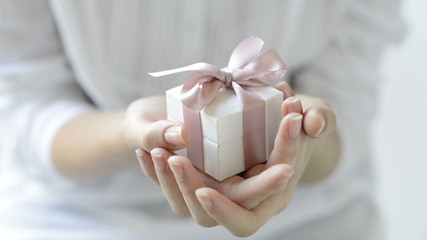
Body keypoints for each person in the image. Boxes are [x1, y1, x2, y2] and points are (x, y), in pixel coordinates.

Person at [0, 0, 404, 239]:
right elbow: (26, 111)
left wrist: (304, 138)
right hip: (78, 217)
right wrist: (128, 132)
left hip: (315, 219)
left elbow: (346, 104)